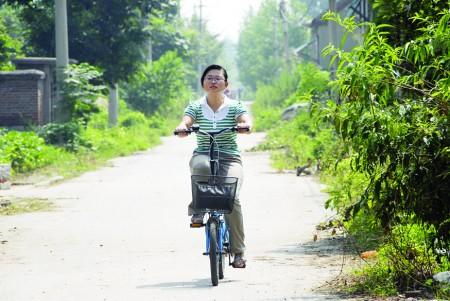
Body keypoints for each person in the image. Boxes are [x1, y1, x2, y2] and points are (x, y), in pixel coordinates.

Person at [175, 64, 252, 268]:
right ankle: (198, 209)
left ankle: (238, 253)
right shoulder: (195, 106)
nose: (213, 81)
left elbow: (244, 118)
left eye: (218, 78)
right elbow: (187, 121)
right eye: (209, 78)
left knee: (231, 196)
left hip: (229, 157)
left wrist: (244, 125)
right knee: (200, 167)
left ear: (226, 83)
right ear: (203, 83)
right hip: (203, 153)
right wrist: (183, 127)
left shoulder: (235, 106)